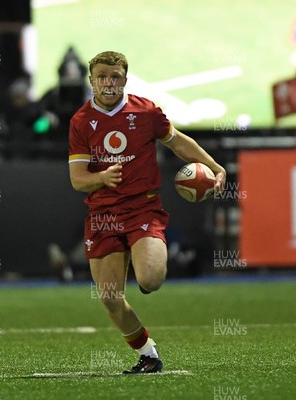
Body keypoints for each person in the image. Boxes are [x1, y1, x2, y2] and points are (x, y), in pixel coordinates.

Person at [68, 51, 226, 374]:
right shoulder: (81, 122)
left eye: (115, 76)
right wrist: (101, 178)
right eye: (101, 77)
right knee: (111, 298)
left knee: (151, 279)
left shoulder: (145, 112)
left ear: (125, 79)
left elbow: (178, 142)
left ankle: (140, 260)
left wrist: (213, 166)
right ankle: (148, 354)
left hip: (142, 208)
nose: (108, 83)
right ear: (91, 81)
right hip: (103, 215)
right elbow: (77, 179)